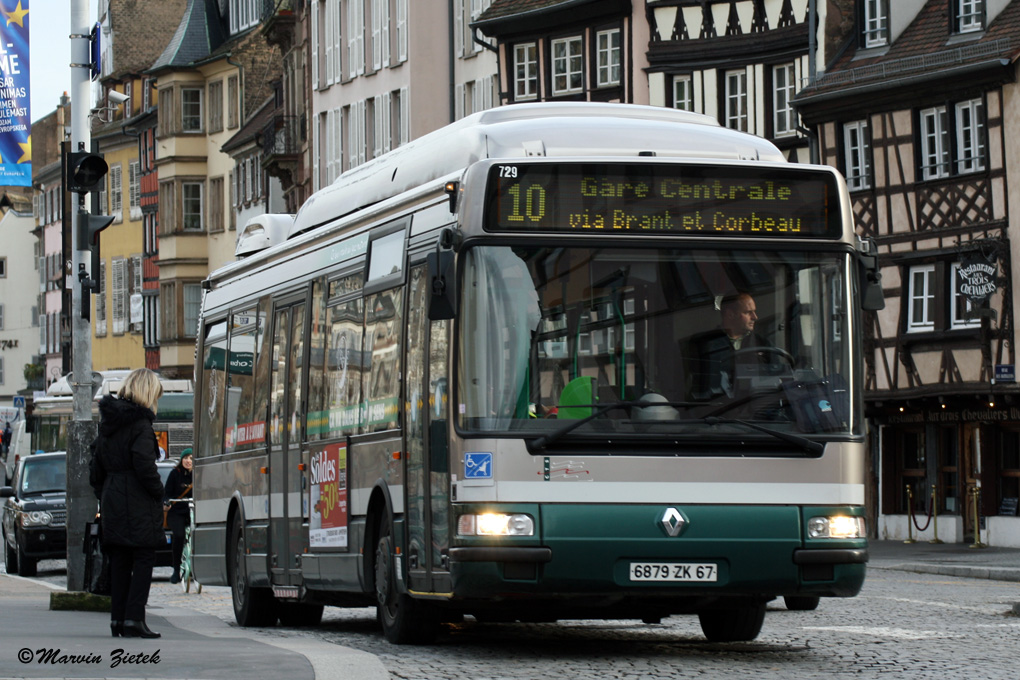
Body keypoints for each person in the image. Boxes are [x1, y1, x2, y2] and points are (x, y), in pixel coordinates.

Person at [89, 368, 165, 639]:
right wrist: (159, 492)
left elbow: (94, 468)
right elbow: (145, 466)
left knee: (119, 560)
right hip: (138, 501)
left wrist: (106, 492)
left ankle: (117, 620)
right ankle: (134, 618)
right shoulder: (141, 425)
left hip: (112, 498)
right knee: (144, 557)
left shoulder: (108, 424)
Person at [689, 292, 774, 400]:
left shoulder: (763, 344)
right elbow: (696, 387)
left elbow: (776, 380)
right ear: (730, 314)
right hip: (717, 410)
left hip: (756, 409)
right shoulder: (705, 345)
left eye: (754, 312)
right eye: (748, 312)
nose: (755, 317)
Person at [163, 448, 193, 584]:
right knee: (179, 535)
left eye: (191, 458)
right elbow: (166, 493)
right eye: (186, 458)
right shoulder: (175, 474)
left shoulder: (198, 475)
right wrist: (167, 501)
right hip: (177, 512)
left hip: (193, 510)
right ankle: (176, 569)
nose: (188, 461)